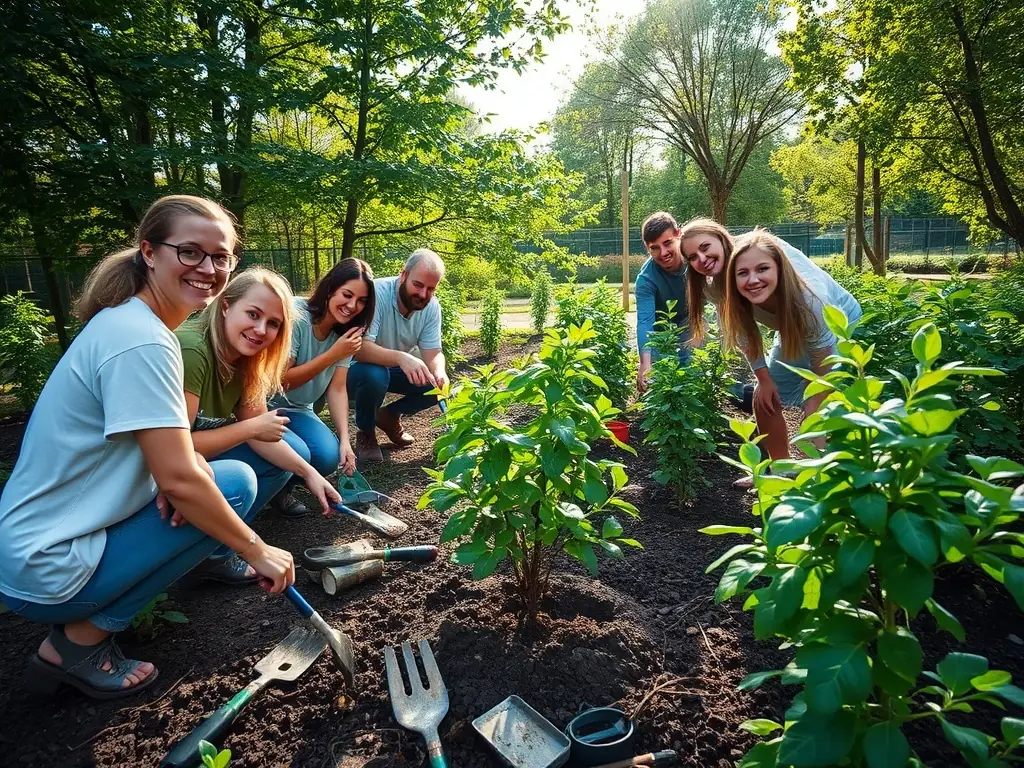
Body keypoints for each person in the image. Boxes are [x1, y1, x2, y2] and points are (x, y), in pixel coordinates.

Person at [0, 195, 295, 700]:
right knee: (230, 489)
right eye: (190, 252)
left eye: (220, 256)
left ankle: (84, 631)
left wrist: (185, 468)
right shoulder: (142, 341)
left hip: (39, 543)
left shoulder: (132, 324)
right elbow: (179, 481)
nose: (208, 267)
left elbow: (168, 456)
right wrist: (257, 548)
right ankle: (75, 646)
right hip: (46, 565)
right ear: (149, 252)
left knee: (216, 483)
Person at [175, 267, 341, 582]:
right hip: (156, 470)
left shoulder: (248, 359)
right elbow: (173, 450)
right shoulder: (193, 351)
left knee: (293, 455)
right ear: (225, 305)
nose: (261, 329)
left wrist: (310, 475)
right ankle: (210, 551)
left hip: (195, 457)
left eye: (273, 324)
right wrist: (251, 429)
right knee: (243, 477)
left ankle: (215, 547)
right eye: (253, 314)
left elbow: (257, 425)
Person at [719, 228, 863, 462]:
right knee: (764, 396)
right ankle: (779, 469)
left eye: (763, 269)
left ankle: (821, 474)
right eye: (742, 273)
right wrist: (764, 381)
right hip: (791, 328)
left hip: (839, 324)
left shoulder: (812, 303)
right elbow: (747, 340)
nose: (753, 279)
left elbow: (821, 374)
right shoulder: (733, 299)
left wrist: (812, 408)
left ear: (780, 269)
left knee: (819, 404)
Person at [268, 258, 376, 515]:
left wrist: (345, 441)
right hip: (267, 406)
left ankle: (281, 488)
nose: (352, 306)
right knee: (301, 452)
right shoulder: (297, 315)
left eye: (361, 301)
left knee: (328, 456)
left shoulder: (348, 335)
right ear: (330, 289)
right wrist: (332, 354)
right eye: (347, 295)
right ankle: (269, 489)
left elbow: (337, 389)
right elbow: (281, 381)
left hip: (300, 409)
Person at [348, 248, 450, 462]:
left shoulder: (432, 308)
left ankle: (389, 415)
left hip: (390, 368)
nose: (423, 295)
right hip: (353, 370)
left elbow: (434, 352)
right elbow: (359, 349)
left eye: (431, 289)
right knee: (375, 374)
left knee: (435, 384)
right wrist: (402, 358)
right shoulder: (376, 294)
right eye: (418, 285)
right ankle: (365, 433)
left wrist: (440, 372)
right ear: (403, 275)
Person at [636, 212, 690, 394]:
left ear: (678, 235)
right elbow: (645, 322)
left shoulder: (696, 259)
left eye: (667, 243)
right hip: (661, 329)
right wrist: (645, 363)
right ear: (647, 248)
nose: (663, 253)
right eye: (655, 248)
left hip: (693, 320)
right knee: (657, 383)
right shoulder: (646, 279)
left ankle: (743, 394)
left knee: (692, 366)